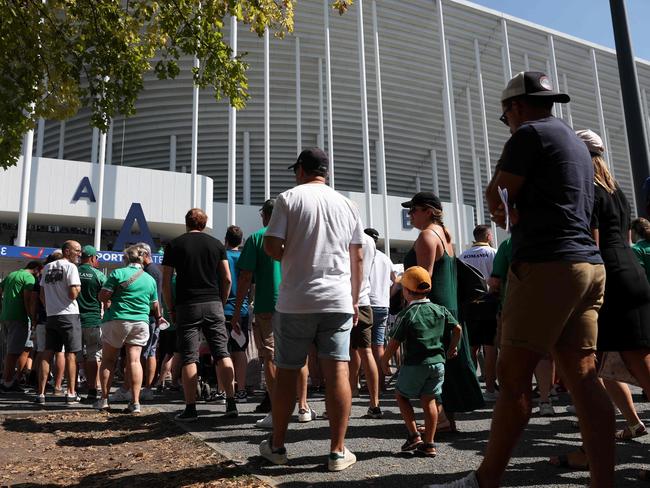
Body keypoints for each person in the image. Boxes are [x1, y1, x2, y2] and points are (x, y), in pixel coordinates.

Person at [432, 72, 612, 488]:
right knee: (584, 378)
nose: (508, 123)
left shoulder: (528, 135)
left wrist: (500, 201)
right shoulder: (573, 143)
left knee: (513, 381)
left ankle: (485, 480)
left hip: (547, 265)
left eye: (506, 116)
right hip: (587, 266)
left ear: (515, 107)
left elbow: (498, 195)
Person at [547, 129, 650, 469]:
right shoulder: (617, 190)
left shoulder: (586, 189)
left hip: (608, 278)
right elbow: (622, 237)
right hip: (631, 272)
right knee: (634, 364)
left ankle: (590, 454)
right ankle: (594, 450)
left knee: (585, 364)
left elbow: (590, 243)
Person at [259, 147, 363, 472]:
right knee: (338, 372)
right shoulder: (348, 204)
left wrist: (293, 254)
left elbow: (272, 245)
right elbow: (357, 255)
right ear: (325, 172)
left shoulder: (287, 199)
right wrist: (356, 298)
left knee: (288, 371)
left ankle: (277, 446)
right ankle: (337, 451)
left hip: (296, 300)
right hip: (338, 300)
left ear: (301, 170)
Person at [402, 191, 484, 434]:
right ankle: (446, 417)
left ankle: (442, 419)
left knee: (429, 362)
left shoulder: (427, 236)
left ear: (428, 210)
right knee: (446, 364)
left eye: (413, 210)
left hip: (432, 309)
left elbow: (422, 280)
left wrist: (412, 311)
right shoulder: (445, 235)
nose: (410, 215)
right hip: (448, 308)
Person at [231, 199, 315, 429]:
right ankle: (304, 406)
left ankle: (278, 410)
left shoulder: (258, 237)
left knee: (269, 356)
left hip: (267, 305)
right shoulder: (297, 235)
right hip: (297, 304)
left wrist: (237, 311)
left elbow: (246, 278)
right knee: (298, 355)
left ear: (265, 216)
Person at [162, 208, 236, 421]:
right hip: (213, 302)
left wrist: (171, 307)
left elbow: (166, 281)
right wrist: (221, 302)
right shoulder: (216, 245)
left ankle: (191, 407)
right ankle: (231, 402)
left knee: (189, 356)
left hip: (187, 305)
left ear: (186, 223)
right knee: (222, 353)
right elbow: (227, 278)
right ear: (204, 224)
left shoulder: (174, 245)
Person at [381, 266, 461, 458]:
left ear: (407, 292)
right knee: (430, 400)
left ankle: (414, 434)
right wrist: (452, 348)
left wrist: (384, 362)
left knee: (401, 395)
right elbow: (457, 328)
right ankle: (430, 444)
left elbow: (394, 342)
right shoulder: (439, 309)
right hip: (438, 363)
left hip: (416, 363)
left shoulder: (407, 314)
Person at [94, 244, 165, 413]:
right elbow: (155, 305)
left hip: (117, 319)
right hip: (141, 322)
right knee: (134, 360)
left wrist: (107, 299)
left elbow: (103, 295)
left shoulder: (118, 273)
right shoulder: (149, 279)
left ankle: (104, 400)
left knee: (109, 360)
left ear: (126, 259)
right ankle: (135, 402)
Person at [35, 241, 83, 405]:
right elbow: (72, 294)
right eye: (77, 251)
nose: (79, 254)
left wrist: (51, 307)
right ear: (67, 251)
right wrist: (77, 289)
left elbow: (42, 295)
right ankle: (70, 393)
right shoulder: (70, 267)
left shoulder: (47, 267)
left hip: (52, 315)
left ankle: (40, 393)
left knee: (47, 352)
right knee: (71, 354)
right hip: (69, 315)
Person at [459, 225, 498, 403]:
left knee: (471, 348)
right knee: (490, 347)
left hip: (469, 306)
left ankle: (469, 388)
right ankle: (490, 389)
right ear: (489, 236)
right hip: (490, 303)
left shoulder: (463, 256)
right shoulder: (493, 253)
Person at [349, 231, 381, 418]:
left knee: (343, 355)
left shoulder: (344, 235)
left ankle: (340, 403)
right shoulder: (369, 241)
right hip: (364, 300)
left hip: (345, 301)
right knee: (364, 351)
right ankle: (374, 403)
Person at [0, 260, 43, 392]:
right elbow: (28, 300)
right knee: (14, 352)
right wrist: (32, 317)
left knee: (9, 350)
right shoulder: (29, 277)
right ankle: (8, 382)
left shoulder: (11, 274)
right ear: (36, 269)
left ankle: (7, 379)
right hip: (19, 317)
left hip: (6, 316)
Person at [364, 228, 395, 391]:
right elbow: (396, 280)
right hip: (383, 305)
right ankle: (380, 383)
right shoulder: (385, 258)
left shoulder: (363, 255)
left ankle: (364, 385)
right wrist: (388, 295)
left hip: (367, 304)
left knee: (362, 348)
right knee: (379, 345)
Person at [223, 225, 250, 402]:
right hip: (243, 309)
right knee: (240, 350)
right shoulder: (244, 257)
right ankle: (241, 389)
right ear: (241, 241)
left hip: (223, 308)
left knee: (222, 351)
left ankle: (224, 390)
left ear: (226, 239)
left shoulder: (222, 256)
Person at [76, 245, 106, 402]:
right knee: (94, 355)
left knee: (74, 355)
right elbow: (108, 296)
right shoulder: (99, 275)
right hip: (93, 320)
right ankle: (93, 389)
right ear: (93, 258)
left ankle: (72, 390)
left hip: (74, 320)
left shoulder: (73, 271)